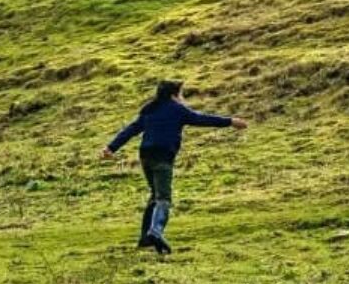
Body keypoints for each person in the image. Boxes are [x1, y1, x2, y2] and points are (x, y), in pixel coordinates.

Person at [100, 80, 247, 255]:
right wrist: (230, 121)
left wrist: (111, 147)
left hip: (146, 156)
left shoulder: (149, 109)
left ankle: (145, 238)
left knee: (154, 195)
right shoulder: (177, 109)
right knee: (163, 198)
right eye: (181, 94)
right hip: (163, 156)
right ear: (174, 95)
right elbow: (201, 119)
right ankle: (155, 232)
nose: (183, 98)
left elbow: (131, 130)